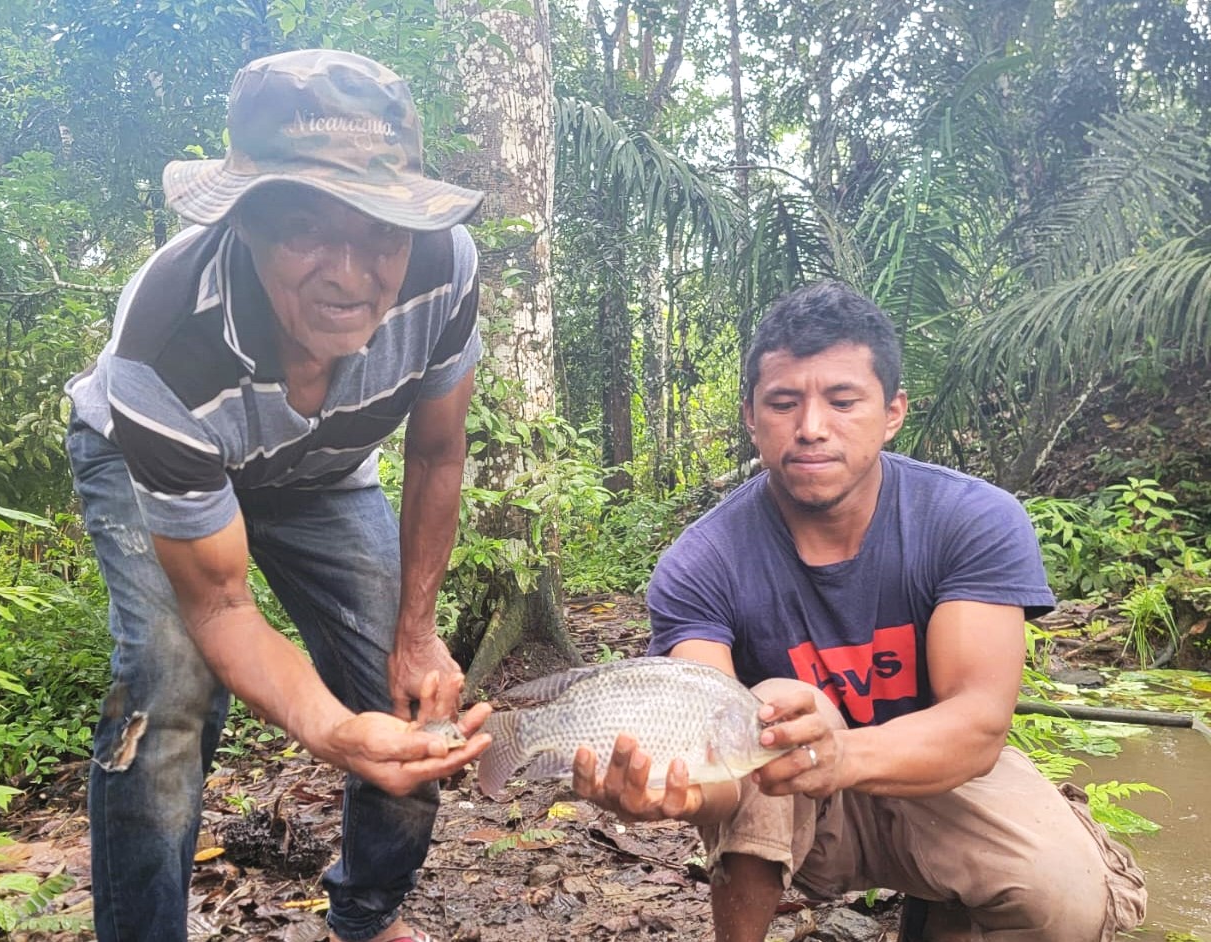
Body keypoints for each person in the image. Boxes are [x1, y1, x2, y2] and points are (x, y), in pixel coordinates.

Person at [64, 49, 493, 942]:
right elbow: (221, 607)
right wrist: (334, 735)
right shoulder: (164, 344)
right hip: (154, 457)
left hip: (324, 469)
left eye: (380, 228)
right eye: (306, 227)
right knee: (169, 684)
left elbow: (438, 448)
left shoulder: (445, 268)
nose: (351, 271)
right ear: (245, 222)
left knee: (402, 680)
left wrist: (415, 632)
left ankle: (368, 913)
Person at [572, 281, 1147, 942]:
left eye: (843, 401)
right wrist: (671, 793)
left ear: (892, 411)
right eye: (784, 403)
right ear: (752, 418)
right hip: (784, 797)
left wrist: (838, 751)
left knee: (1067, 898)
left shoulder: (971, 521)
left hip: (934, 777)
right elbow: (716, 763)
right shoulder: (701, 561)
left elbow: (978, 728)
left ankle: (943, 913)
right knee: (766, 709)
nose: (812, 427)